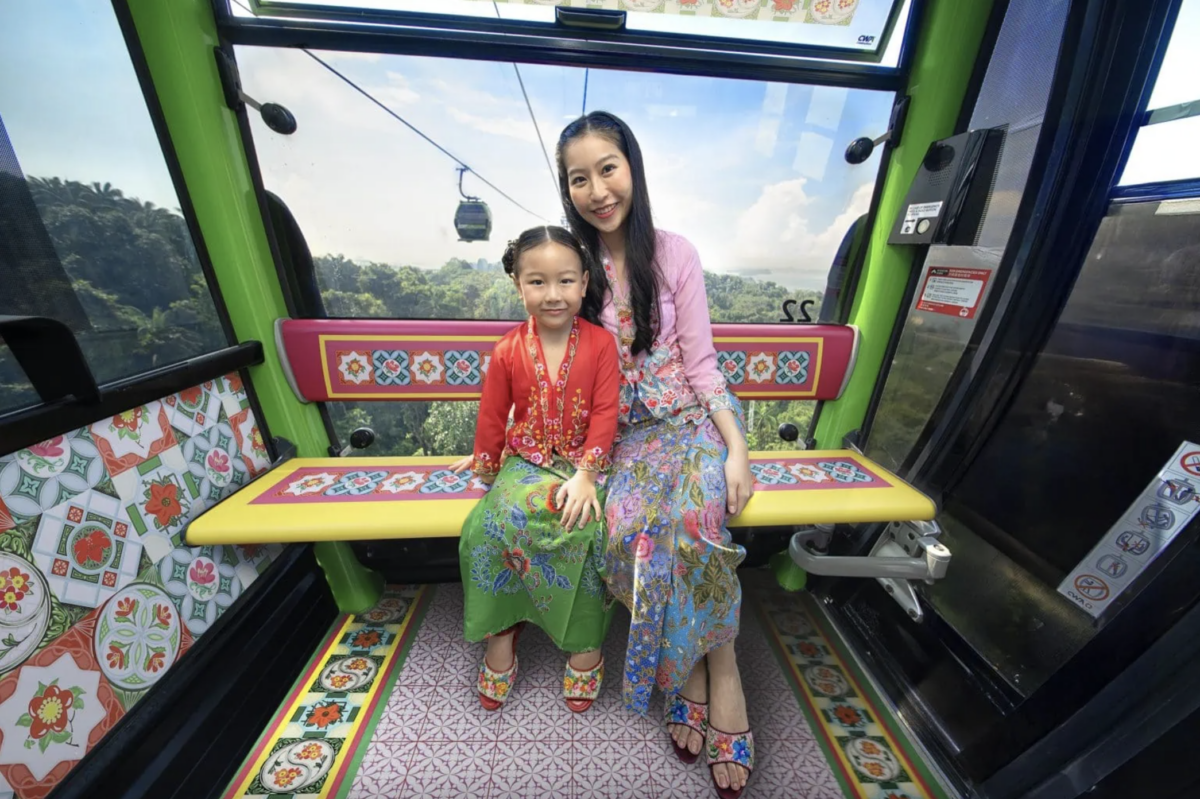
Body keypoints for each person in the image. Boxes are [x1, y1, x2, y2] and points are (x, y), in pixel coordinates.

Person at [557, 111, 755, 798]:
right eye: (578, 178)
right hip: (623, 440)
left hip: (687, 423)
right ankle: (688, 669)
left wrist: (736, 450)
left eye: (607, 168)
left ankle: (720, 672)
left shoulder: (674, 253)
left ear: (632, 167)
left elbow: (702, 365)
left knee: (699, 518)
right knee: (629, 529)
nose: (597, 189)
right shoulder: (573, 270)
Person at [452, 225, 619, 714]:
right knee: (485, 529)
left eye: (565, 281)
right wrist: (485, 466)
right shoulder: (506, 350)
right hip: (524, 463)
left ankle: (585, 645)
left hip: (585, 463)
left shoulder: (601, 345)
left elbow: (607, 413)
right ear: (517, 285)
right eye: (537, 282)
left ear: (585, 284)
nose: (553, 295)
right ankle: (501, 637)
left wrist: (587, 474)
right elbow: (491, 414)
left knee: (586, 526)